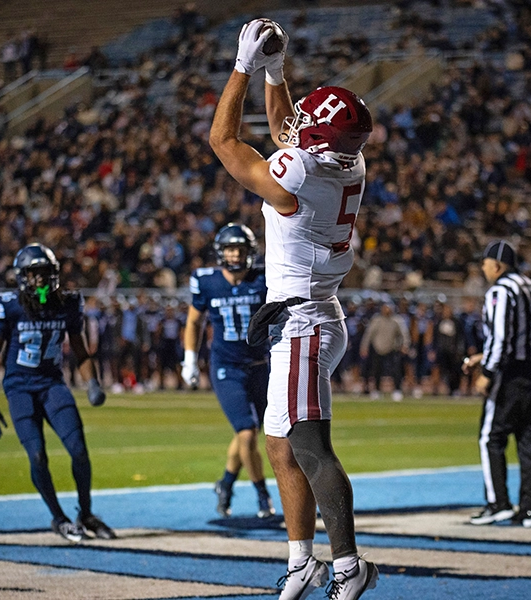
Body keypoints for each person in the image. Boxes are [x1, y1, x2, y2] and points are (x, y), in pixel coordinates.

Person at [209, 18, 378, 599]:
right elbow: (290, 132)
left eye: (311, 121)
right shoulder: (346, 162)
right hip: (306, 313)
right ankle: (302, 559)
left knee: (309, 446)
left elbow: (225, 144)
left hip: (303, 320)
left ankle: (350, 566)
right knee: (279, 445)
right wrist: (277, 72)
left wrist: (242, 67)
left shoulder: (302, 171)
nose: (298, 124)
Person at [0, 243, 116, 543]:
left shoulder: (67, 303)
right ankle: (59, 517)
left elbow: (80, 351)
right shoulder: (9, 306)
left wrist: (92, 382)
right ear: (21, 276)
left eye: (44, 273)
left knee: (79, 450)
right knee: (38, 456)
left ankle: (87, 513)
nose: (40, 281)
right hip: (20, 389)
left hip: (53, 385)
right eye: (33, 274)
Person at [181, 223, 275, 519]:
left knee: (248, 432)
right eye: (231, 249)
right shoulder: (207, 281)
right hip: (226, 367)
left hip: (260, 366)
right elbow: (194, 322)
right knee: (246, 432)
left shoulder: (263, 280)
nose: (235, 255)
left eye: (241, 249)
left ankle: (225, 483)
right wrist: (189, 359)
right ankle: (262, 495)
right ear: (221, 252)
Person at [462, 240, 531, 528]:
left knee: (491, 437)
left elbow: (502, 337)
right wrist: (483, 356)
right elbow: (525, 335)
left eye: (486, 263)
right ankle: (529, 509)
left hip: (513, 375)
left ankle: (498, 503)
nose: (483, 267)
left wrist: (487, 371)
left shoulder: (500, 291)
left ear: (498, 265)